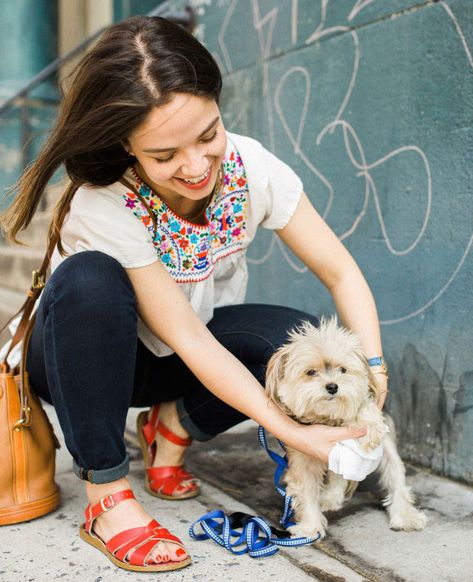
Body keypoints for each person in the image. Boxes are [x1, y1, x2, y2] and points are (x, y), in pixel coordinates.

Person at [0, 15, 388, 573]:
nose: (196, 166)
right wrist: (298, 436)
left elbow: (342, 273)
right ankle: (106, 495)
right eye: (164, 156)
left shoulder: (249, 167)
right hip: (84, 359)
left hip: (178, 356)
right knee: (90, 279)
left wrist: (373, 371)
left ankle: (173, 425)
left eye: (208, 135)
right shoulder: (103, 201)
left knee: (290, 347)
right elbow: (187, 336)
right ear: (126, 147)